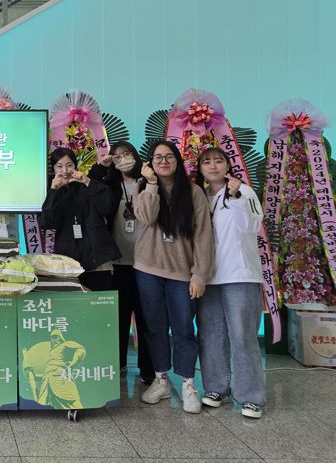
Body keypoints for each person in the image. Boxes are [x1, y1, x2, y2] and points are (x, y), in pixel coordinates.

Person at [133, 140, 213, 414]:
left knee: (183, 330)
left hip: (182, 273)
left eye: (169, 157)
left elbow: (203, 236)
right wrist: (151, 184)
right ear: (149, 163)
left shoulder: (193, 193)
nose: (163, 161)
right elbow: (146, 216)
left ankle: (189, 384)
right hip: (147, 270)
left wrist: (200, 274)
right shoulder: (142, 189)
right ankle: (161, 380)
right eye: (157, 158)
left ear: (178, 161)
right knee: (154, 328)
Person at [195, 147, 266, 419]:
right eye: (207, 162)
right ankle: (216, 388)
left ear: (228, 165)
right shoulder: (200, 196)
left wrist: (235, 196)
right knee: (210, 335)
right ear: (200, 168)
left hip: (240, 275)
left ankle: (251, 397)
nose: (213, 166)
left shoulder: (244, 191)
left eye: (218, 161)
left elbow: (251, 227)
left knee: (243, 337)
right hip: (209, 277)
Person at [89, 141, 155, 384]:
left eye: (126, 154)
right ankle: (117, 365)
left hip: (147, 262)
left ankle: (149, 370)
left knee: (147, 318)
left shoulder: (149, 182)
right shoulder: (109, 185)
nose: (122, 159)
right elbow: (91, 189)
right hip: (118, 262)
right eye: (116, 156)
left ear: (135, 155)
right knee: (118, 318)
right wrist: (101, 166)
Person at [41, 147, 121, 291]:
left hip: (98, 260)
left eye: (69, 165)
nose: (65, 170)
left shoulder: (87, 185)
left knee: (102, 304)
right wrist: (54, 191)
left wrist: (88, 181)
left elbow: (108, 207)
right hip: (68, 263)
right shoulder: (50, 191)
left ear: (76, 166)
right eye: (59, 166)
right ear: (53, 169)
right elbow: (47, 223)